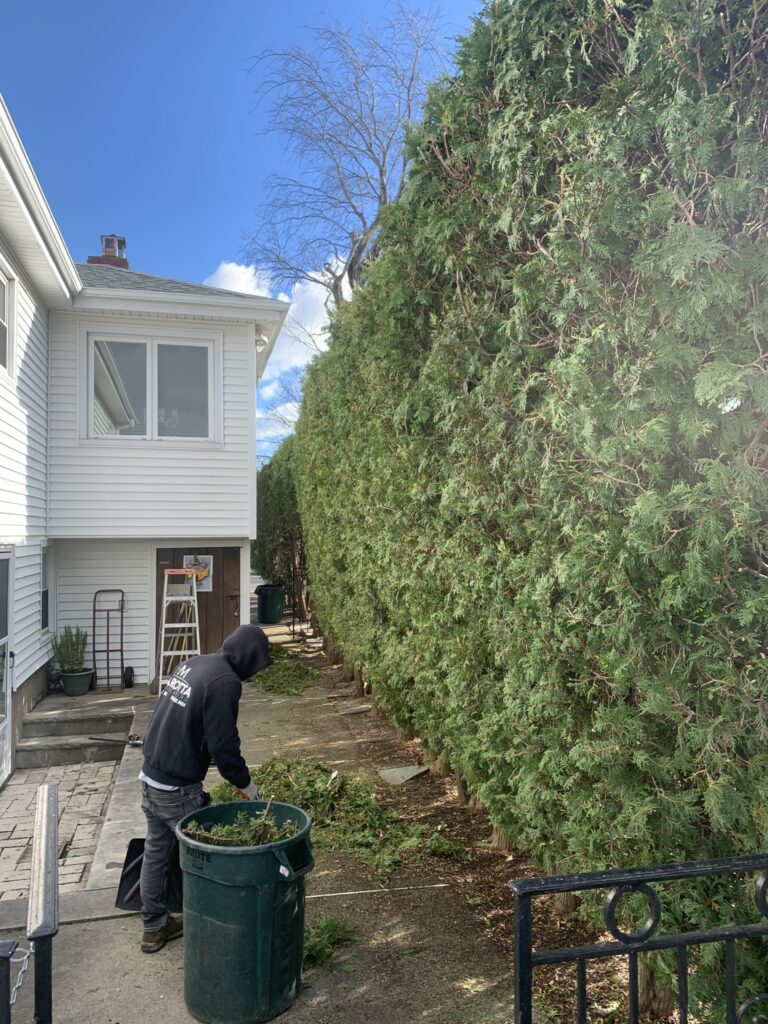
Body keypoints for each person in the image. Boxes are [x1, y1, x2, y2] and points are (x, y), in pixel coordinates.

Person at [138, 623, 272, 953]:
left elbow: (173, 715)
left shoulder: (194, 663)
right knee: (206, 857)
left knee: (156, 852)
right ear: (249, 659)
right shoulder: (225, 681)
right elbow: (224, 746)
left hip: (151, 775)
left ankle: (154, 925)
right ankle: (214, 931)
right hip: (178, 788)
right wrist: (247, 786)